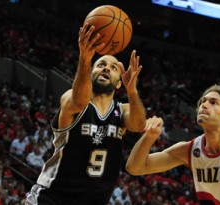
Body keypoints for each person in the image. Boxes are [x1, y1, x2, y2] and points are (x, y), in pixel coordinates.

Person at [25, 22, 146, 205]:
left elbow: (138, 125)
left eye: (114, 68)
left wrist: (132, 91)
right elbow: (79, 101)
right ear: (90, 73)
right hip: (52, 199)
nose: (106, 68)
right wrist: (85, 58)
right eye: (101, 65)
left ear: (119, 83)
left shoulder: (122, 110)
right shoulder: (71, 98)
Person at [126, 84, 220, 205]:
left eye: (213, 102)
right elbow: (135, 167)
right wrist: (149, 137)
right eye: (203, 101)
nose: (204, 105)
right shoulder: (190, 150)